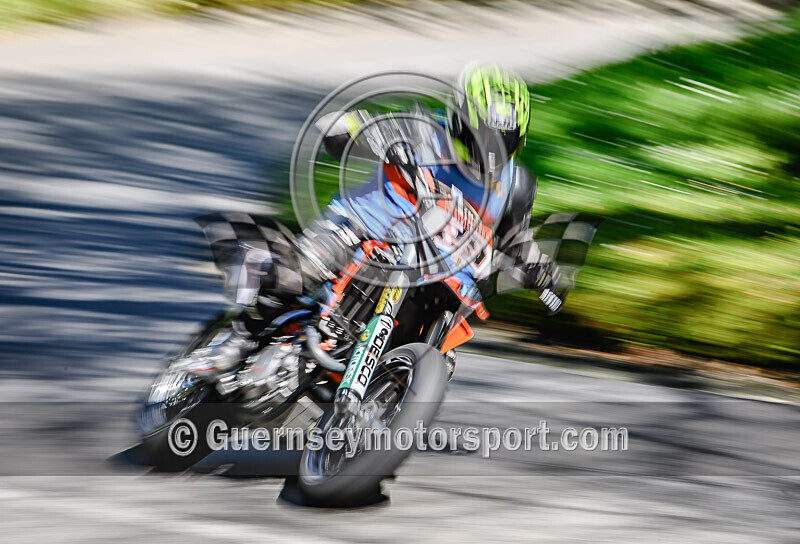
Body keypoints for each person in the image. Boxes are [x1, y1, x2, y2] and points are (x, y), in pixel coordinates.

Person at [186, 64, 562, 377]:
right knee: (299, 269)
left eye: (504, 138)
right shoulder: (420, 130)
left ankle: (386, 423)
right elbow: (340, 129)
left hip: (440, 277)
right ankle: (238, 341)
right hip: (364, 232)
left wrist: (540, 268)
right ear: (460, 120)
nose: (491, 147)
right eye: (484, 134)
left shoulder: (516, 184)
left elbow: (514, 239)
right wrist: (361, 133)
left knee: (440, 361)